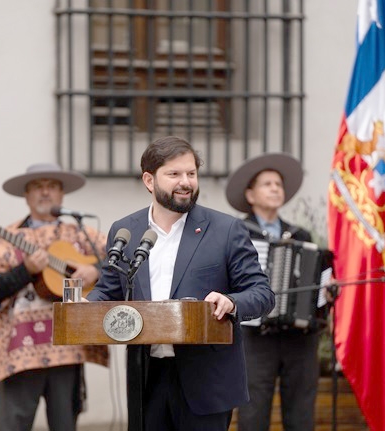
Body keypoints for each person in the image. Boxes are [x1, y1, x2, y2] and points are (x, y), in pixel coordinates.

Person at [86, 136, 275, 431]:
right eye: (174, 174)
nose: (185, 182)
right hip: (147, 377)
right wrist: (83, 307)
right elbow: (109, 289)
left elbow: (262, 293)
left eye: (191, 173)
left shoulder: (226, 229)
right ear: (149, 180)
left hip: (206, 380)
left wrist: (232, 302)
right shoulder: (125, 230)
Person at [0, 163, 109, 431]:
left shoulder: (80, 235)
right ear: (26, 196)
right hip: (21, 348)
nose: (45, 192)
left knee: (65, 424)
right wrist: (25, 270)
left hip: (67, 347)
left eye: (52, 186)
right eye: (37, 187)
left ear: (62, 194)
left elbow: (118, 259)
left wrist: (94, 270)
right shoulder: (8, 238)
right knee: (12, 424)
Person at [225, 153, 319, 431]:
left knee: (301, 411)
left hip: (297, 337)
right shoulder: (236, 232)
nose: (276, 188)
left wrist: (324, 293)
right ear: (250, 195)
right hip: (254, 336)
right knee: (253, 411)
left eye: (278, 184)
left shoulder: (299, 235)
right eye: (267, 184)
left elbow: (312, 277)